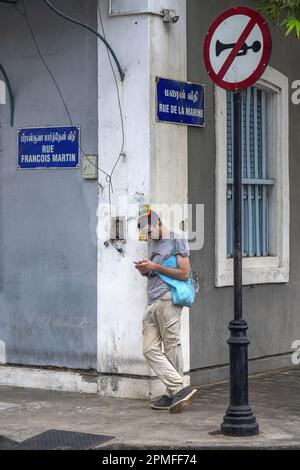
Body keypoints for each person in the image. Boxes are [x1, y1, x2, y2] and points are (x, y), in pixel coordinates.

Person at [135, 209, 198, 414]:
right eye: (146, 235)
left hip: (168, 298)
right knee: (149, 349)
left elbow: (184, 273)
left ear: (159, 224)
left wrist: (156, 266)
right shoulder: (151, 241)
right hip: (152, 300)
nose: (149, 237)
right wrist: (147, 270)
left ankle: (173, 393)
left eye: (151, 232)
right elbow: (156, 271)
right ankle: (179, 388)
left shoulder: (177, 239)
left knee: (171, 344)